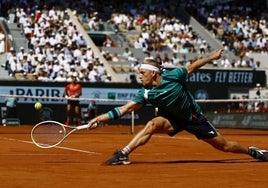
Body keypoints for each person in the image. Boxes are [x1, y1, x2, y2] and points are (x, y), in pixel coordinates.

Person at [88, 49, 268, 165]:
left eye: (142, 73)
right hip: (172, 119)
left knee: (225, 146)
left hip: (193, 118)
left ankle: (253, 152)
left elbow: (192, 67)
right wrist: (101, 118)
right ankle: (123, 153)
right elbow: (125, 109)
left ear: (153, 73)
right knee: (152, 124)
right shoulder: (145, 92)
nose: (140, 76)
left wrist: (212, 57)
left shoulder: (174, 76)